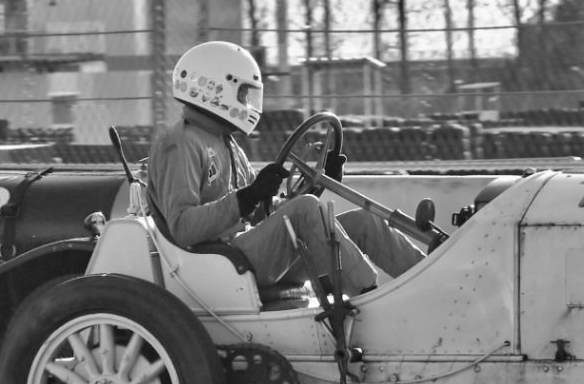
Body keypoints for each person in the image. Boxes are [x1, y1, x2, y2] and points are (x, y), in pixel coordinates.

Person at [147, 41, 424, 297]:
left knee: (364, 221)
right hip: (220, 262)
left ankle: (431, 276)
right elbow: (183, 227)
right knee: (304, 209)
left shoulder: (225, 142)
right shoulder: (179, 144)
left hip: (244, 254)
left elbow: (261, 212)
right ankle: (368, 295)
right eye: (242, 93)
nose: (247, 102)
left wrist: (316, 185)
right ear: (215, 88)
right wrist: (249, 196)